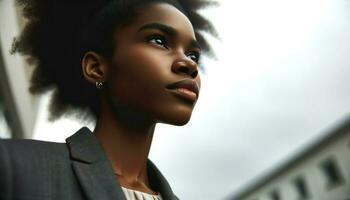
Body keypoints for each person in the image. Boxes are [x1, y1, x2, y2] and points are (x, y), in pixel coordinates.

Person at [0, 0, 217, 199]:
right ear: (96, 68)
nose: (189, 65)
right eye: (159, 40)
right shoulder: (14, 167)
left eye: (192, 55)